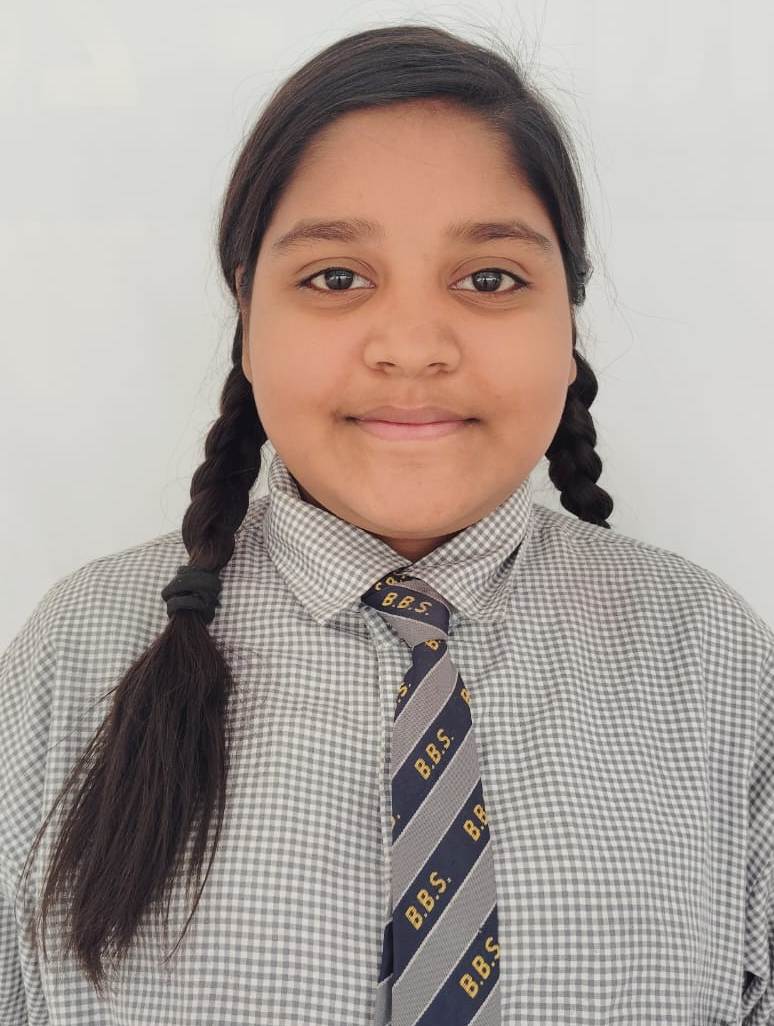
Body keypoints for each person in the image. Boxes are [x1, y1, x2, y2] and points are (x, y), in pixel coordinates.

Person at [2, 22, 772, 1026]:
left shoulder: (714, 660)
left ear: (568, 324)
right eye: (336, 278)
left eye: (489, 279)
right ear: (248, 319)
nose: (412, 347)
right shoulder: (80, 649)